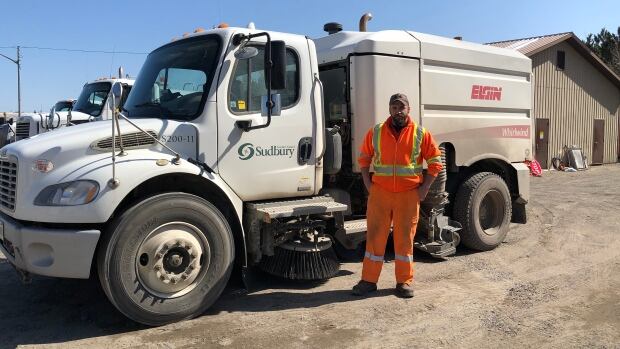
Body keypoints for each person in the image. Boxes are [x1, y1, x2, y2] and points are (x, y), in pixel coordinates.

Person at [352, 93, 443, 298]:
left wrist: (424, 189)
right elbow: (364, 160)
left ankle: (404, 282)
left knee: (404, 240)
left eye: (401, 107)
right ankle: (368, 281)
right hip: (380, 194)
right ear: (390, 109)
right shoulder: (376, 132)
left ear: (408, 109)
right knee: (375, 238)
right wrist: (369, 185)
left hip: (408, 195)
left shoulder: (420, 133)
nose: (397, 111)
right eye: (394, 107)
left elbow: (436, 162)